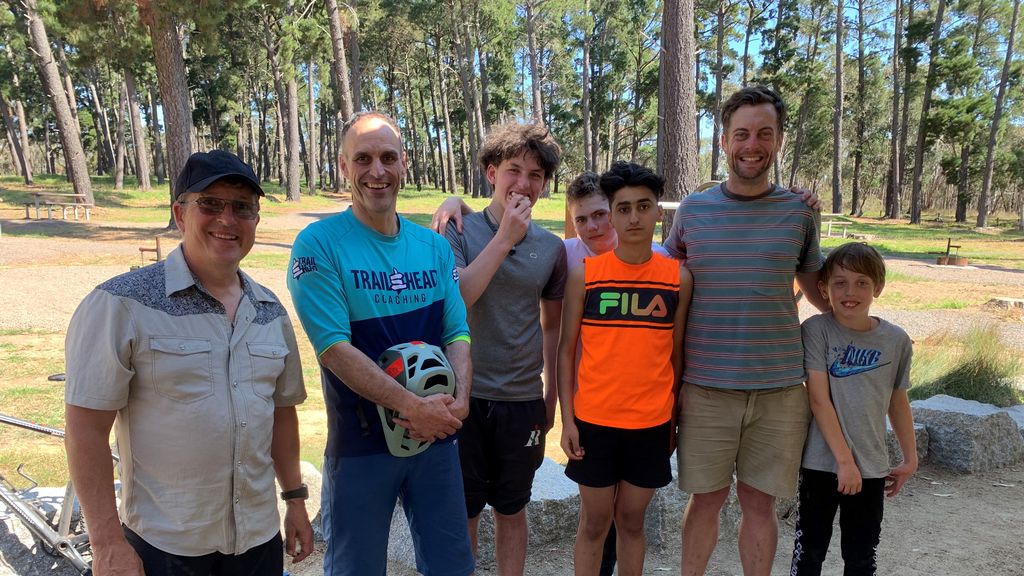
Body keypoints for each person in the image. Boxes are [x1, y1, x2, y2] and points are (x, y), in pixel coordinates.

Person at [64, 150, 312, 576]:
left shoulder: (271, 312)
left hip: (257, 541)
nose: (227, 219)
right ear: (180, 213)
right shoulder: (120, 304)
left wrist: (294, 501)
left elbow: (282, 416)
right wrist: (106, 543)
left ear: (255, 219)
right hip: (165, 548)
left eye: (242, 207)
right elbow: (85, 429)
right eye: (210, 204)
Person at [286, 111, 474, 576]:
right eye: (363, 159)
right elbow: (333, 349)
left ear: (404, 163)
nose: (377, 171)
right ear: (344, 166)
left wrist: (461, 404)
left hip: (436, 437)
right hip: (362, 445)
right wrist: (416, 408)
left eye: (388, 157)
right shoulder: (318, 245)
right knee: (356, 569)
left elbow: (457, 334)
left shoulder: (432, 248)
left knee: (453, 566)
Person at [664, 85, 830, 576]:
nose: (751, 144)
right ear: (724, 141)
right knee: (707, 501)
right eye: (742, 134)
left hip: (779, 389)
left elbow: (814, 286)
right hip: (707, 388)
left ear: (779, 140)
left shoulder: (800, 212)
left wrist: (859, 319)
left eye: (764, 133)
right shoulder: (693, 211)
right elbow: (662, 282)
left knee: (760, 506)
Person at [443, 122, 567, 575]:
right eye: (514, 170)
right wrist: (505, 238)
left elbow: (552, 330)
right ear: (491, 173)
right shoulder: (457, 229)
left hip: (522, 400)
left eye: (536, 175)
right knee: (466, 509)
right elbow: (459, 299)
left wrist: (550, 397)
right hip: (464, 396)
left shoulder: (553, 249)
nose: (524, 183)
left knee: (513, 509)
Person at [557, 162, 691, 576]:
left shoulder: (678, 279)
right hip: (594, 422)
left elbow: (676, 354)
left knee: (632, 522)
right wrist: (568, 420)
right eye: (624, 208)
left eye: (643, 206)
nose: (634, 217)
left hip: (650, 425)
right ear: (612, 214)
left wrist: (673, 420)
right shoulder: (584, 276)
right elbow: (565, 351)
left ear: (658, 213)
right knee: (594, 523)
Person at [790, 242, 917, 575]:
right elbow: (819, 400)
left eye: (862, 282)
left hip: (872, 466)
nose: (851, 292)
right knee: (809, 552)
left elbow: (897, 400)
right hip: (821, 463)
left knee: (861, 556)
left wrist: (910, 457)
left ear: (878, 287)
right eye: (840, 282)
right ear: (823, 288)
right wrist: (844, 462)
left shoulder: (896, 340)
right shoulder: (816, 331)